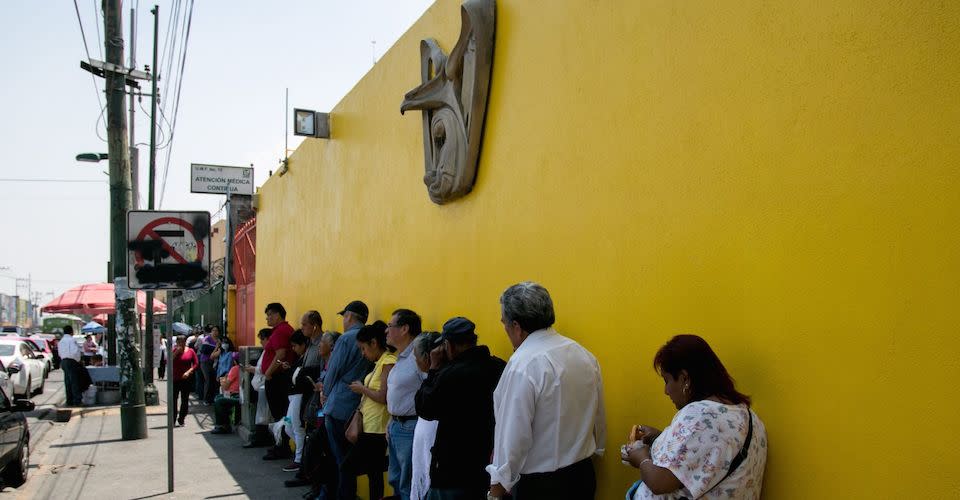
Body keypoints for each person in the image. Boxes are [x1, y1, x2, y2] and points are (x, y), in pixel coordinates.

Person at [487, 282, 607, 500]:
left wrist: (497, 488)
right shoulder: (583, 355)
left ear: (516, 326)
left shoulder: (523, 365)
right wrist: (598, 448)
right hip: (583, 476)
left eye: (504, 323)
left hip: (543, 486)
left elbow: (513, 435)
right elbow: (599, 416)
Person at [622, 335, 768, 499]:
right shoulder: (749, 417)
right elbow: (705, 455)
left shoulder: (699, 414)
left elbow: (659, 482)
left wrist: (641, 456)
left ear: (685, 379)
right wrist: (660, 438)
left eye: (667, 380)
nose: (666, 391)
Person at [416, 317, 506, 500]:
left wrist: (433, 369)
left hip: (452, 469)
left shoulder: (449, 374)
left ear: (448, 345)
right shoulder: (498, 366)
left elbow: (424, 407)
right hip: (486, 463)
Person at [323, 300, 373, 500]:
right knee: (350, 459)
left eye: (344, 317)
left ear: (349, 316)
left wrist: (325, 392)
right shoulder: (369, 338)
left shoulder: (346, 339)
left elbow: (333, 369)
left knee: (340, 460)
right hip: (359, 403)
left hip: (339, 403)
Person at [343, 321, 396, 500]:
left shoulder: (388, 362)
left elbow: (384, 397)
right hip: (371, 426)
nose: (363, 353)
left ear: (374, 343)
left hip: (377, 428)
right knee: (374, 474)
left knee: (349, 467)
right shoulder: (380, 362)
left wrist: (362, 389)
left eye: (363, 348)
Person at [385, 308, 424, 500]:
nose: (387, 331)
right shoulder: (401, 357)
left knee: (408, 483)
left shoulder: (418, 355)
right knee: (397, 479)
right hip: (397, 425)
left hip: (411, 426)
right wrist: (391, 422)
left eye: (390, 326)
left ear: (404, 329)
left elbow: (428, 388)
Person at [280, 330, 318, 473]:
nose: (294, 349)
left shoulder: (308, 358)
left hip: (299, 396)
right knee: (289, 427)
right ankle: (303, 454)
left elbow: (303, 378)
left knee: (296, 427)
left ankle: (299, 459)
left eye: (295, 346)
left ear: (304, 344)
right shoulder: (301, 358)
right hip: (294, 396)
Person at [262, 303, 297, 461]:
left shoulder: (281, 331)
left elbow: (281, 354)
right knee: (281, 414)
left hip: (278, 379)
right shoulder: (280, 330)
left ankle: (282, 446)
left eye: (270, 314)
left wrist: (268, 373)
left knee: (280, 414)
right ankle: (280, 444)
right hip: (279, 378)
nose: (268, 318)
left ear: (277, 315)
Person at [410, 332, 440, 500]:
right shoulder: (432, 377)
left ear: (428, 357)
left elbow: (423, 405)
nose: (416, 361)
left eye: (416, 357)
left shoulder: (438, 378)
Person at [171, 335, 199, 426]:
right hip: (175, 379)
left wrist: (189, 371)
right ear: (177, 343)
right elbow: (168, 361)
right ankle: (172, 419)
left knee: (185, 399)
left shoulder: (190, 351)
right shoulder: (174, 350)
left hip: (186, 379)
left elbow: (196, 363)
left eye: (183, 342)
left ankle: (181, 419)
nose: (181, 344)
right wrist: (176, 353)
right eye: (179, 342)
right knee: (173, 400)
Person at [211, 352, 242, 434]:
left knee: (219, 401)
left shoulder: (235, 369)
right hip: (237, 394)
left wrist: (225, 378)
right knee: (218, 398)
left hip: (235, 395)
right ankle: (224, 423)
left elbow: (225, 387)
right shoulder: (241, 368)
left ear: (235, 361)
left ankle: (222, 425)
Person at [58, 326, 84, 406]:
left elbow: (60, 353)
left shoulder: (61, 341)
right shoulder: (72, 340)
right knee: (74, 381)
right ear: (71, 332)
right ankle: (77, 401)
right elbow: (75, 352)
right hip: (72, 361)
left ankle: (69, 400)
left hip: (64, 361)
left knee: (67, 381)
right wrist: (78, 360)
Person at [199, 325, 221, 404]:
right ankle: (206, 399)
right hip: (205, 362)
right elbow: (204, 350)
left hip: (215, 362)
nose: (215, 332)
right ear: (211, 332)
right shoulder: (207, 339)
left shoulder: (219, 340)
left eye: (216, 331)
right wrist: (216, 348)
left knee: (214, 380)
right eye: (213, 330)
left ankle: (212, 398)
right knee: (208, 380)